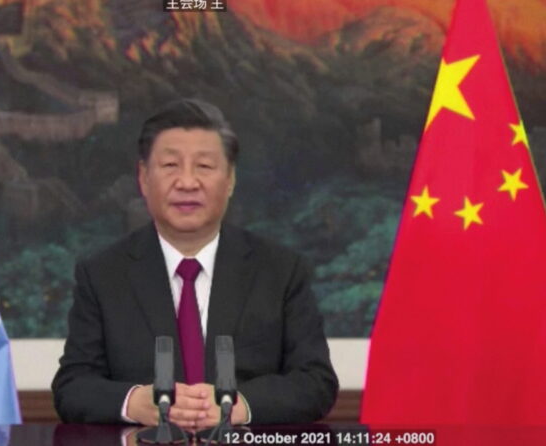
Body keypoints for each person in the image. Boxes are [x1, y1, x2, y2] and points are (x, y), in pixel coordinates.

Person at [52, 98, 338, 428]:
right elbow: (72, 386)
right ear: (144, 178)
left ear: (230, 180)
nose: (187, 183)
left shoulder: (281, 271)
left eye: (204, 166)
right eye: (171, 166)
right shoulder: (103, 275)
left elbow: (316, 382)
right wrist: (134, 403)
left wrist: (239, 406)